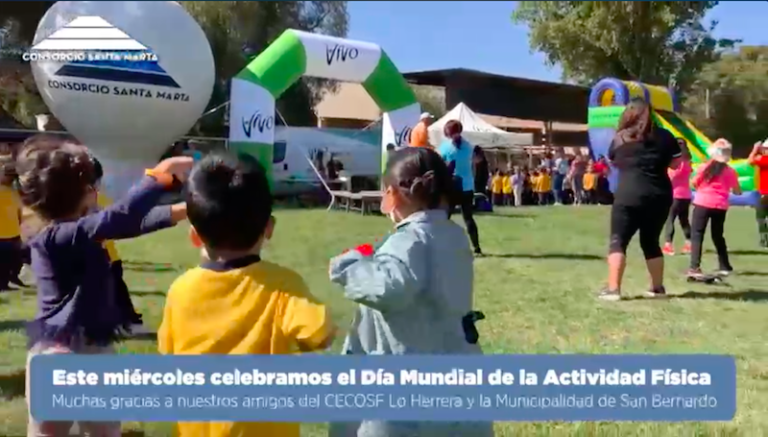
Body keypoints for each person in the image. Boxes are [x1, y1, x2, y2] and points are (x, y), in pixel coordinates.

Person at [18, 134, 191, 437]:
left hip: (61, 352)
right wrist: (159, 176)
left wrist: (186, 209)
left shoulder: (65, 231)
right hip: (71, 355)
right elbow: (121, 217)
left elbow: (129, 223)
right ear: (87, 191)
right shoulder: (62, 235)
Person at [158, 152, 336, 437]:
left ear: (194, 235)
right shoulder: (284, 286)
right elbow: (321, 333)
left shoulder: (180, 290)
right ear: (269, 228)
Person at [328, 147, 493, 437]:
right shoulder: (453, 234)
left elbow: (389, 288)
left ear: (391, 195)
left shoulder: (409, 240)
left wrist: (348, 265)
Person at [600, 99, 682, 301]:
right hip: (659, 195)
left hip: (629, 194)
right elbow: (676, 164)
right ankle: (657, 288)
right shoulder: (664, 136)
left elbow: (614, 162)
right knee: (651, 241)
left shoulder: (620, 139)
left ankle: (613, 290)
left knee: (618, 240)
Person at [89, 155, 147, 333]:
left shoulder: (101, 201)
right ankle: (121, 320)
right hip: (98, 258)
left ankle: (127, 320)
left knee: (115, 292)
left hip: (107, 258)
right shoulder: (100, 200)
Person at [688, 139, 740, 277]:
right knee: (718, 236)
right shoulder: (730, 171)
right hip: (720, 205)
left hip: (702, 203)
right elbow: (737, 191)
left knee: (697, 235)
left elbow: (694, 183)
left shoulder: (705, 168)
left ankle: (694, 267)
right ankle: (725, 266)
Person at [438, 120, 483, 255]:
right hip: (467, 186)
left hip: (452, 186)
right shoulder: (469, 147)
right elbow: (477, 160)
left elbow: (440, 164)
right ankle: (477, 248)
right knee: (468, 218)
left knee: (445, 218)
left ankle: (442, 248)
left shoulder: (445, 147)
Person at [663, 140, 693, 256]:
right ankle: (689, 244)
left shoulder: (677, 163)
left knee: (670, 219)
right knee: (684, 220)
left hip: (675, 195)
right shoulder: (688, 162)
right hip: (686, 195)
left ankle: (668, 245)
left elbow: (672, 176)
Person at [0, 151, 24, 290]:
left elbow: (19, 213)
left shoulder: (13, 192)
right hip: (4, 234)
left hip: (12, 233)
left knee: (12, 260)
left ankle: (6, 282)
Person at [747, 140, 768, 247]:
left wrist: (755, 149)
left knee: (761, 217)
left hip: (765, 194)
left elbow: (749, 161)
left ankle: (764, 239)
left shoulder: (764, 159)